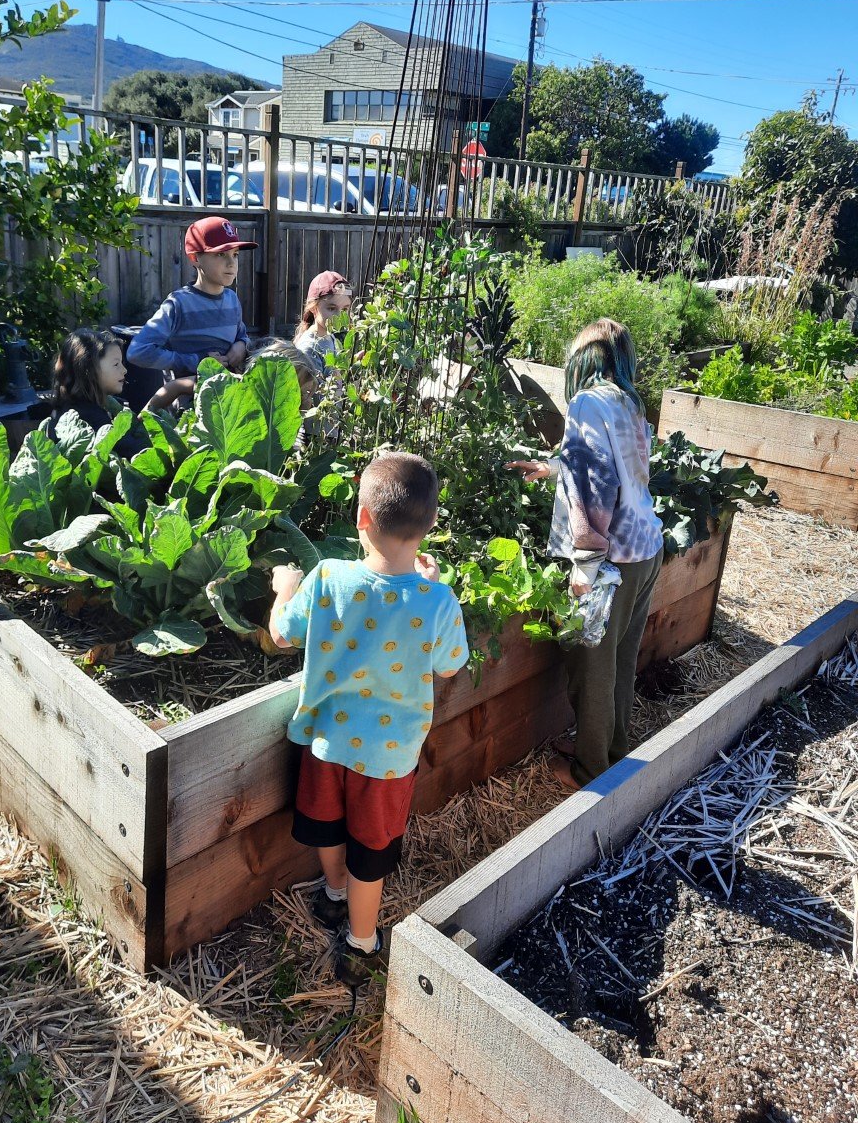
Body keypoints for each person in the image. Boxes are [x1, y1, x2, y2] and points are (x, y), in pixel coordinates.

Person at [269, 451, 469, 987]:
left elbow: (282, 634)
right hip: (389, 758)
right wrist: (432, 587)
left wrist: (283, 589)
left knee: (326, 824)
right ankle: (362, 939)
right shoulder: (438, 599)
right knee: (371, 851)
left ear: (362, 519)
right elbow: (451, 664)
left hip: (326, 742)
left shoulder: (328, 576)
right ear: (428, 527)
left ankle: (332, 891)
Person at [506, 319, 664, 794]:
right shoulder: (627, 401)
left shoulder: (586, 402)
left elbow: (597, 483)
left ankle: (591, 773)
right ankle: (615, 751)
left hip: (610, 557)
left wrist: (585, 563)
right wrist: (553, 465)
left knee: (589, 665)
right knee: (618, 658)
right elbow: (605, 462)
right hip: (644, 549)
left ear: (585, 361)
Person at [127, 215, 257, 377]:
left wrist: (242, 345)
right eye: (220, 254)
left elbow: (242, 336)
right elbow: (137, 351)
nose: (231, 263)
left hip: (231, 397)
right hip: (190, 399)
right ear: (195, 258)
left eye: (235, 254)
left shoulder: (232, 300)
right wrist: (196, 362)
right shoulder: (178, 304)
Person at [142, 339, 321, 417]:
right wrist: (144, 417)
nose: (305, 399)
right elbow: (175, 386)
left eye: (306, 394)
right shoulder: (232, 384)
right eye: (301, 392)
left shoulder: (287, 411)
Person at [48, 327, 146, 457]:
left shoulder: (70, 407)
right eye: (116, 364)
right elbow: (135, 451)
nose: (124, 370)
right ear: (88, 369)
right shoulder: (88, 416)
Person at [293, 270, 354, 373]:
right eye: (331, 308)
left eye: (344, 309)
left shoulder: (329, 336)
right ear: (314, 309)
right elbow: (312, 388)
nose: (339, 316)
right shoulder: (309, 349)